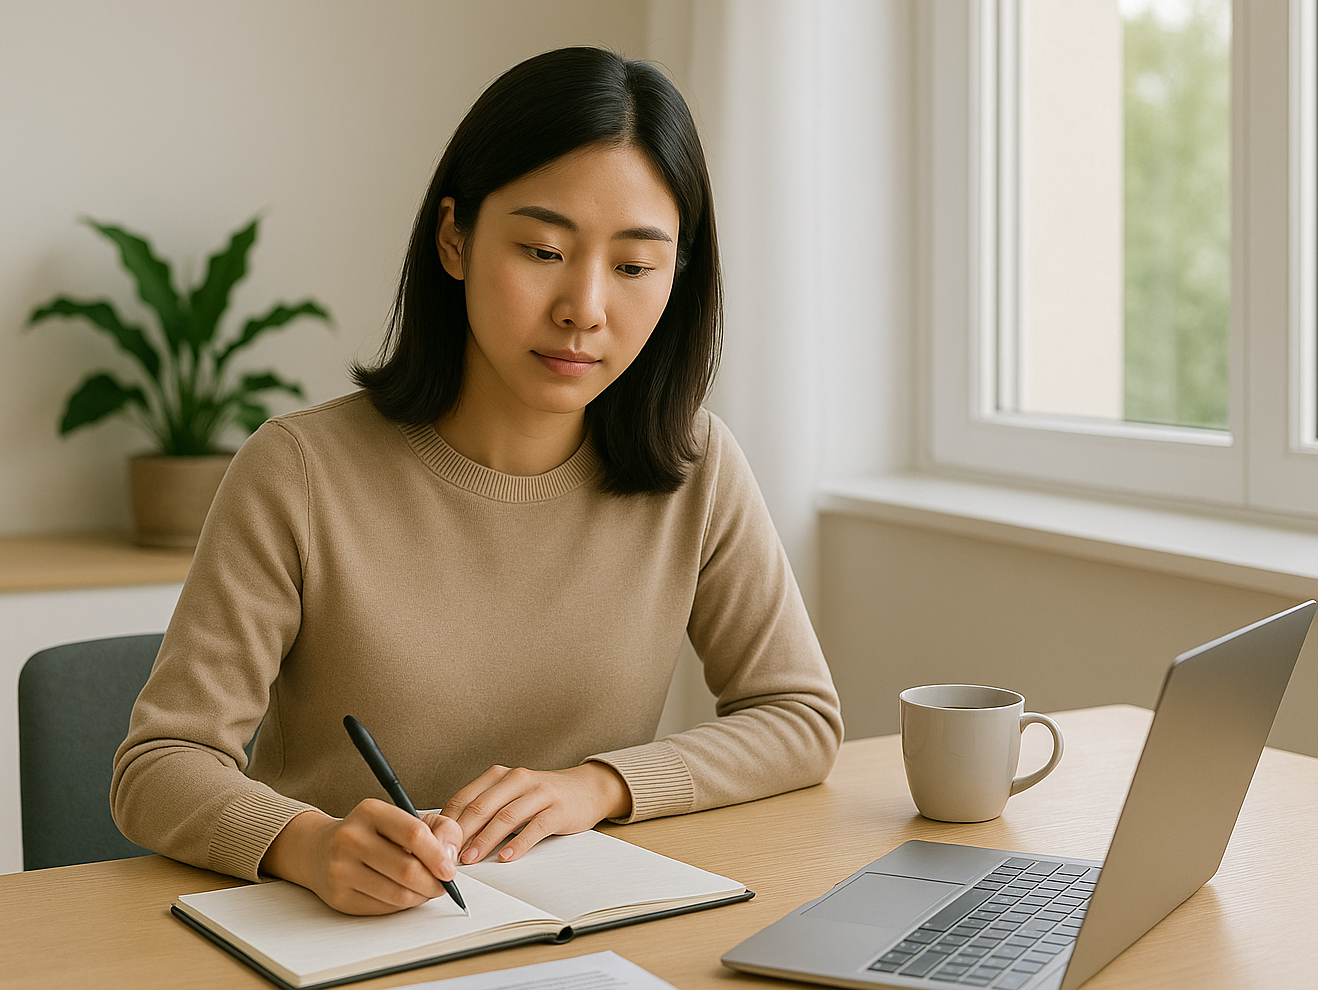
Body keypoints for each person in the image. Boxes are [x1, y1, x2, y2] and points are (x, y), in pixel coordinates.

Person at [111, 46, 843, 917]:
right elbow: (158, 768)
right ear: (454, 238)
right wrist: (307, 845)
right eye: (541, 249)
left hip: (583, 933)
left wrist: (599, 786)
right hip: (342, 937)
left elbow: (799, 717)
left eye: (636, 266)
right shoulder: (300, 471)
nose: (586, 307)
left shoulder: (696, 466)